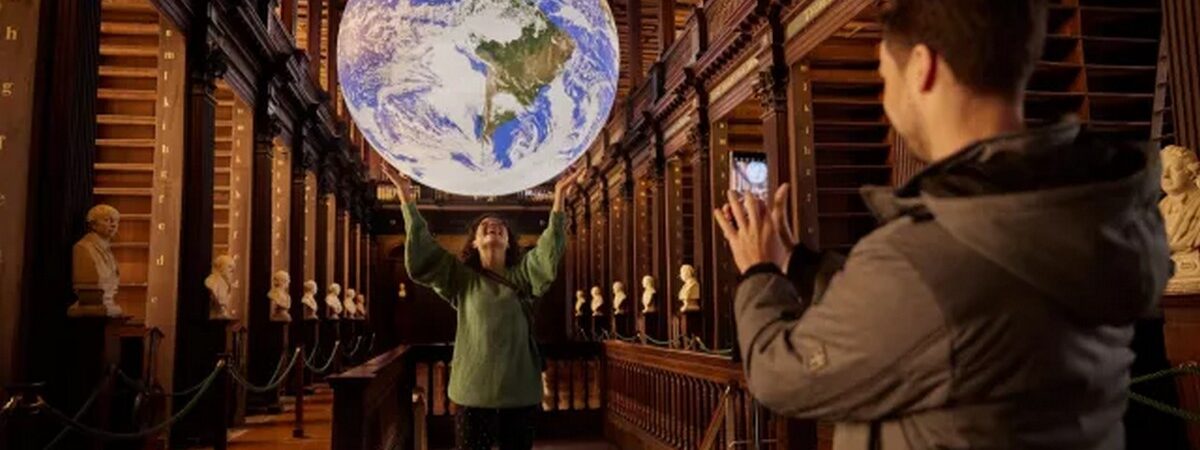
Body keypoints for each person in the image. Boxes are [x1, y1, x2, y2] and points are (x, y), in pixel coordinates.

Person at [714, 1, 1171, 448]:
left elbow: (779, 374)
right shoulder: (1087, 206)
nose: (884, 91)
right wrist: (797, 264)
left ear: (921, 67)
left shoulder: (924, 258)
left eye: (882, 74)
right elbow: (930, 311)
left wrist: (758, 273)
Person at [385, 166, 576, 450]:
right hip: (473, 394)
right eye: (484, 226)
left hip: (519, 393)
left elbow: (548, 250)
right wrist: (404, 195)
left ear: (508, 241)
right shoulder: (460, 279)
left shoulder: (523, 276)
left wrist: (559, 196)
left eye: (499, 226)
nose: (492, 226)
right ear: (474, 242)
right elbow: (425, 252)